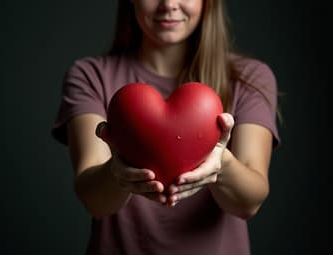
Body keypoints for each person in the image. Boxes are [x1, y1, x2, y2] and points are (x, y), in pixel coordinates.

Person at [52, 0, 280, 254]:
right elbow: (95, 202)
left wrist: (222, 165)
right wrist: (117, 173)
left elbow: (249, 202)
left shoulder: (249, 78)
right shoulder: (90, 75)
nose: (169, 4)